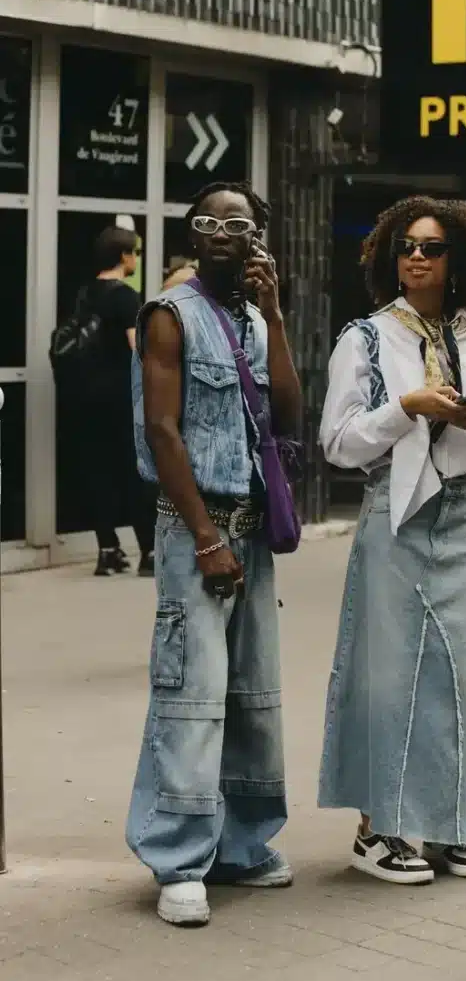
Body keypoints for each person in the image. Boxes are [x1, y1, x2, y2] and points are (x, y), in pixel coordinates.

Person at [318, 196, 466, 886]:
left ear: (457, 260)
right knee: (391, 676)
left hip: (464, 516)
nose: (415, 256)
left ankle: (449, 825)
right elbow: (338, 444)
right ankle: (378, 830)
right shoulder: (366, 338)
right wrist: (405, 408)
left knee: (461, 676)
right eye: (406, 245)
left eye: (431, 248)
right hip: (395, 516)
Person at [126, 181, 302, 926]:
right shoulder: (170, 315)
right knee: (191, 696)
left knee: (252, 698)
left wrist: (277, 316)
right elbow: (162, 433)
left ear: (260, 237)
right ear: (192, 239)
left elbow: (291, 414)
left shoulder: (256, 320)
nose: (222, 234)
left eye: (239, 223)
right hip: (193, 526)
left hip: (253, 527)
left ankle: (244, 845)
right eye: (208, 223)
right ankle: (178, 860)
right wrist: (203, 537)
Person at [81, 226, 156, 577]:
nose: (136, 259)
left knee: (99, 471)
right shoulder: (125, 297)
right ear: (124, 256)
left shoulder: (84, 295)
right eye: (135, 253)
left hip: (88, 394)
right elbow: (136, 348)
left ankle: (107, 550)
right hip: (121, 396)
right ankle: (149, 551)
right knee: (135, 470)